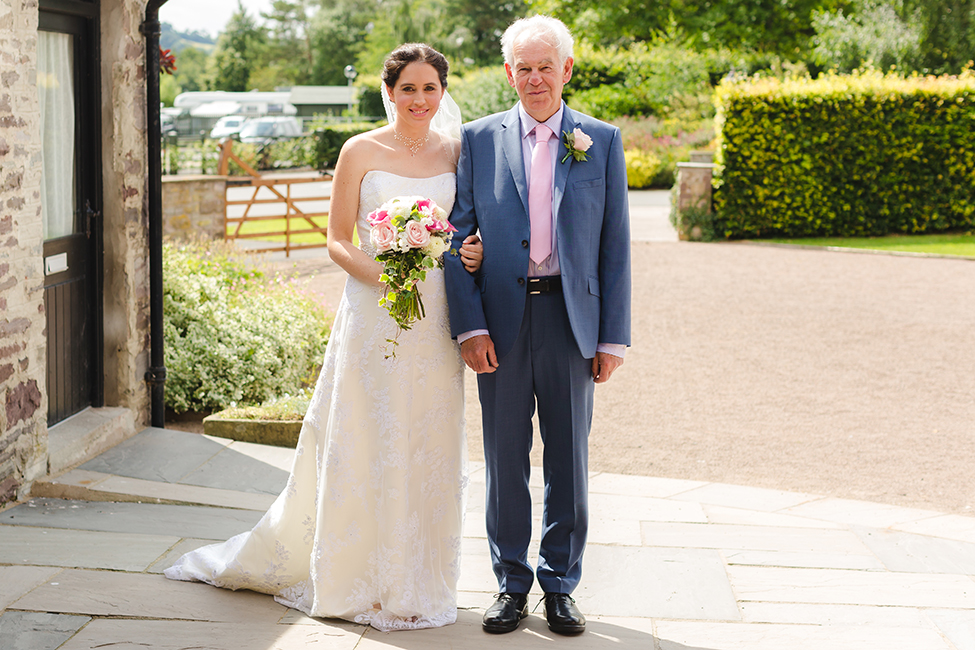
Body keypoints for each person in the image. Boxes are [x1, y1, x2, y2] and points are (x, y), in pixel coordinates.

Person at [165, 43, 483, 632]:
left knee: (428, 440)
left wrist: (470, 250)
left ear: (443, 92)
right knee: (365, 434)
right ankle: (351, 576)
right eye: (407, 88)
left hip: (436, 316)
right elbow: (337, 240)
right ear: (388, 92)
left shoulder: (459, 152)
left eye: (429, 88)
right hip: (372, 309)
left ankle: (417, 578)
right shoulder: (359, 150)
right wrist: (389, 275)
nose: (419, 99)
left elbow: (471, 228)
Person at [443, 15, 631, 636]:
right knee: (503, 457)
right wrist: (470, 328)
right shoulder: (477, 139)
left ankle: (560, 585)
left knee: (569, 459)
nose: (534, 78)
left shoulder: (600, 141)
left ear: (567, 70)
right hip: (501, 319)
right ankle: (510, 582)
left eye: (545, 66)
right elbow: (454, 238)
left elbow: (615, 245)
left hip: (572, 320)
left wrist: (612, 336)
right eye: (523, 67)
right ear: (508, 73)